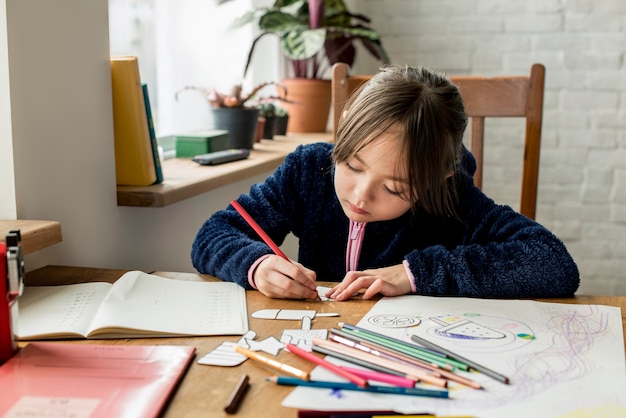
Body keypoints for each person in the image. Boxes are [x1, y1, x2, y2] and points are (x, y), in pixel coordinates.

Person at [191, 64, 580, 301]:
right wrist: (256, 266)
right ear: (340, 140)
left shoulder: (451, 199)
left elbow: (553, 263)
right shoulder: (309, 171)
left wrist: (413, 274)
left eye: (395, 188)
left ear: (435, 179)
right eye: (353, 165)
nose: (361, 195)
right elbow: (213, 234)